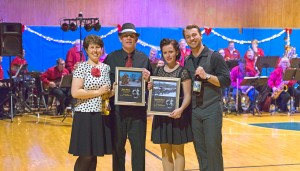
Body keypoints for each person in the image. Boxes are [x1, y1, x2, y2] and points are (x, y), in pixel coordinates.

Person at [104, 23, 152, 171]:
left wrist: (149, 81)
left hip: (137, 112)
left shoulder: (144, 59)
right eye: (126, 36)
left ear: (136, 39)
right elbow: (104, 82)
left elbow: (150, 85)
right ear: (120, 38)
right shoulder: (111, 58)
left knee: (138, 149)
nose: (129, 38)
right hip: (117, 111)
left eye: (132, 36)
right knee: (117, 148)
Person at [183, 24, 231, 171]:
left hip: (212, 109)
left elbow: (226, 81)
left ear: (200, 35)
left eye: (194, 35)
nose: (192, 38)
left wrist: (207, 76)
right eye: (188, 36)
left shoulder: (214, 56)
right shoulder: (187, 60)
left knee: (213, 148)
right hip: (195, 111)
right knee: (200, 150)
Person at [143, 38, 192, 171]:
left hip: (177, 115)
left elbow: (188, 95)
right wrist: (150, 87)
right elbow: (154, 91)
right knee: (165, 151)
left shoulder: (183, 71)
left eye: (171, 51)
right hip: (161, 116)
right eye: (165, 52)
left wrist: (181, 110)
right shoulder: (158, 71)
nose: (168, 55)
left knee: (178, 151)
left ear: (177, 52)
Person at [69, 35, 114, 171]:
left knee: (94, 154)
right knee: (86, 155)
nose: (95, 50)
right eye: (92, 47)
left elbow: (105, 93)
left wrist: (114, 91)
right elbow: (75, 92)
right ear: (86, 50)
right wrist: (98, 92)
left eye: (98, 47)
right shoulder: (81, 67)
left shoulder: (106, 68)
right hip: (85, 115)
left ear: (102, 49)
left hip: (101, 114)